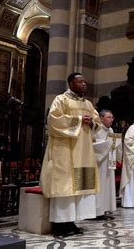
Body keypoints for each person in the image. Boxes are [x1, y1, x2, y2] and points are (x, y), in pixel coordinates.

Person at [40, 72, 100, 237]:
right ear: (71, 84)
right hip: (65, 150)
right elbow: (53, 120)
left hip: (83, 152)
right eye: (80, 82)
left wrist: (92, 122)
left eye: (85, 82)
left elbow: (98, 123)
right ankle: (59, 224)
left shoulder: (88, 103)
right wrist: (80, 120)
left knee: (79, 187)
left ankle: (72, 220)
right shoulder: (61, 100)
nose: (84, 85)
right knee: (65, 187)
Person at [92, 109, 121, 220]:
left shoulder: (111, 130)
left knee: (107, 186)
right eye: (109, 117)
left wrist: (116, 143)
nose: (111, 119)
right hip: (99, 163)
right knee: (99, 185)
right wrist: (106, 144)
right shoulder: (96, 129)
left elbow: (114, 146)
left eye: (112, 117)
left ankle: (103, 209)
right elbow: (92, 144)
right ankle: (96, 211)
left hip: (109, 162)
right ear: (101, 117)